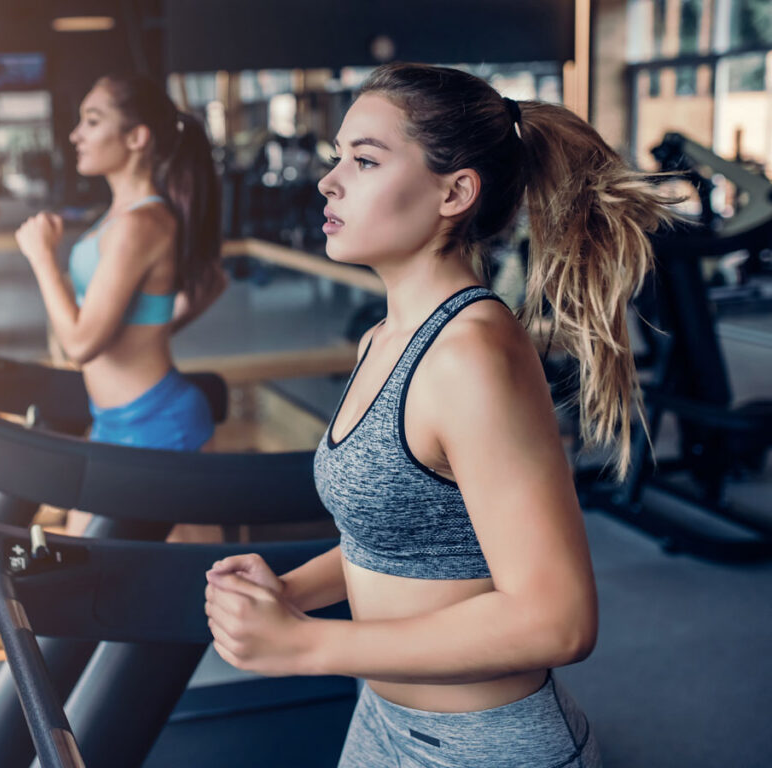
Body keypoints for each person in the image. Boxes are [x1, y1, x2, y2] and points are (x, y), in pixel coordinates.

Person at [205, 63, 675, 767]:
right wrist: (291, 590)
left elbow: (560, 619)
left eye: (364, 160)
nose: (330, 180)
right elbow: (399, 540)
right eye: (339, 157)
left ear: (455, 192)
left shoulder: (470, 355)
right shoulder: (381, 341)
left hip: (487, 747)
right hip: (383, 721)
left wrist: (309, 645)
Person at [14, 73, 226, 455]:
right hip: (110, 421)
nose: (75, 135)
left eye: (92, 121)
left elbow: (80, 346)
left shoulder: (139, 224)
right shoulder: (118, 217)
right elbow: (212, 285)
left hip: (159, 424)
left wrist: (42, 256)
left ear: (136, 138)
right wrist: (149, 333)